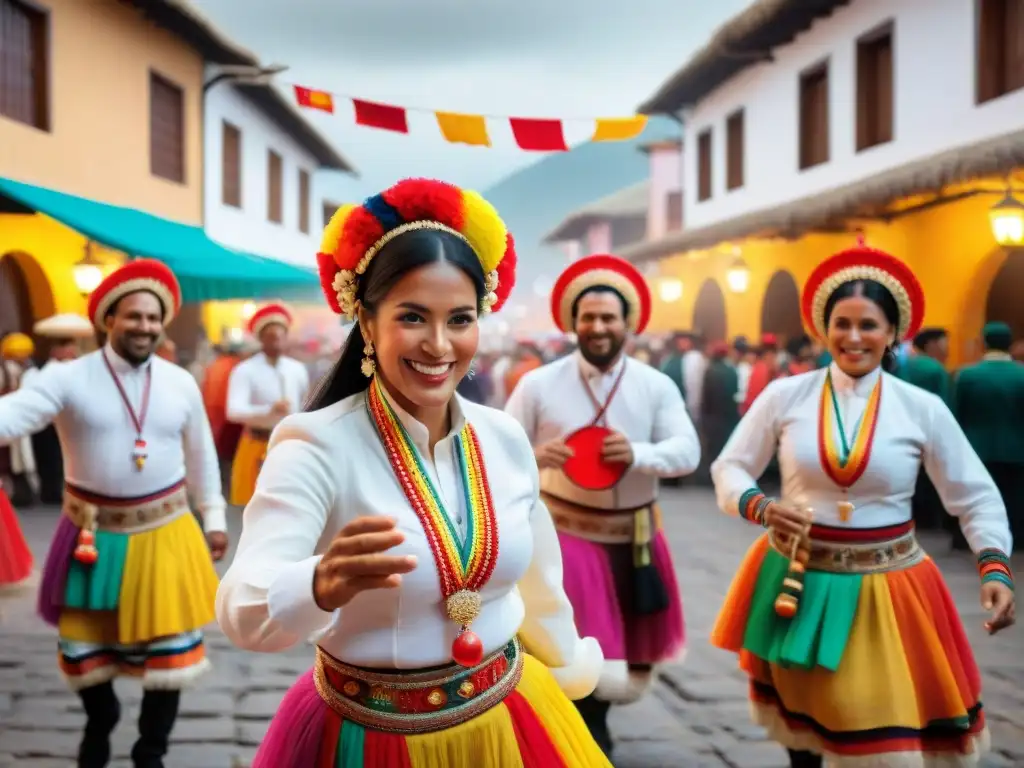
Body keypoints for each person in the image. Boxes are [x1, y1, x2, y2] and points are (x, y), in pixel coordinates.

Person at [216, 179, 610, 768]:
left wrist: (566, 664)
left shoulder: (501, 438)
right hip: (372, 738)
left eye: (459, 318)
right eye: (412, 317)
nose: (438, 344)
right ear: (367, 324)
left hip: (509, 716)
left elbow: (540, 586)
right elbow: (243, 609)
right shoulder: (315, 445)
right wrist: (319, 583)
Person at [709, 238, 1014, 768]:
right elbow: (730, 466)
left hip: (888, 586)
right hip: (798, 578)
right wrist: (758, 504)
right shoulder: (786, 396)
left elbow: (973, 492)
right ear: (822, 330)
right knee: (801, 724)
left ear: (893, 332)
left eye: (868, 324)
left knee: (874, 729)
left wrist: (993, 564)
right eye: (841, 324)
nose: (853, 337)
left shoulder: (923, 408)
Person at [0, 259, 229, 768]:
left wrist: (213, 516)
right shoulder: (68, 378)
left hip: (168, 533)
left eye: (153, 318)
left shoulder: (178, 382)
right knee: (85, 655)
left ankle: (151, 753)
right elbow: (13, 415)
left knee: (169, 655)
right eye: (133, 317)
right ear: (108, 319)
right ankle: (99, 727)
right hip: (91, 538)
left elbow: (202, 457)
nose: (144, 327)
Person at [504, 253, 699, 757]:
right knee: (569, 644)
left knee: (624, 652)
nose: (597, 326)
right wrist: (532, 455)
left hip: (633, 537)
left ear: (628, 323)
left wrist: (638, 453)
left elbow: (688, 452)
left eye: (608, 317)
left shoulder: (656, 385)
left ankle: (593, 727)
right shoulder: (538, 384)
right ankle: (586, 734)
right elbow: (494, 449)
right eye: (588, 317)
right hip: (564, 534)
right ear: (573, 322)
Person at [227, 303, 310, 507]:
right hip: (256, 444)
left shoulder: (297, 369)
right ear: (261, 338)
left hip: (290, 446)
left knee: (290, 507)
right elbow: (233, 411)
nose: (277, 342)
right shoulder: (244, 370)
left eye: (281, 336)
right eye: (271, 337)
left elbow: (306, 407)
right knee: (253, 509)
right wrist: (268, 411)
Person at [953, 321, 1024, 546]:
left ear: (983, 343)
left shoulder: (967, 375)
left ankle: (968, 540)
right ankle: (1016, 539)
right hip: (1016, 449)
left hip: (976, 448)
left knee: (977, 498)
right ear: (1009, 344)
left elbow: (956, 414)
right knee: (1013, 498)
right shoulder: (1021, 375)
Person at [22, 313, 95, 505]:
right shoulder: (46, 370)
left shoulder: (79, 368)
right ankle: (51, 491)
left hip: (71, 419)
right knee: (48, 458)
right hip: (47, 421)